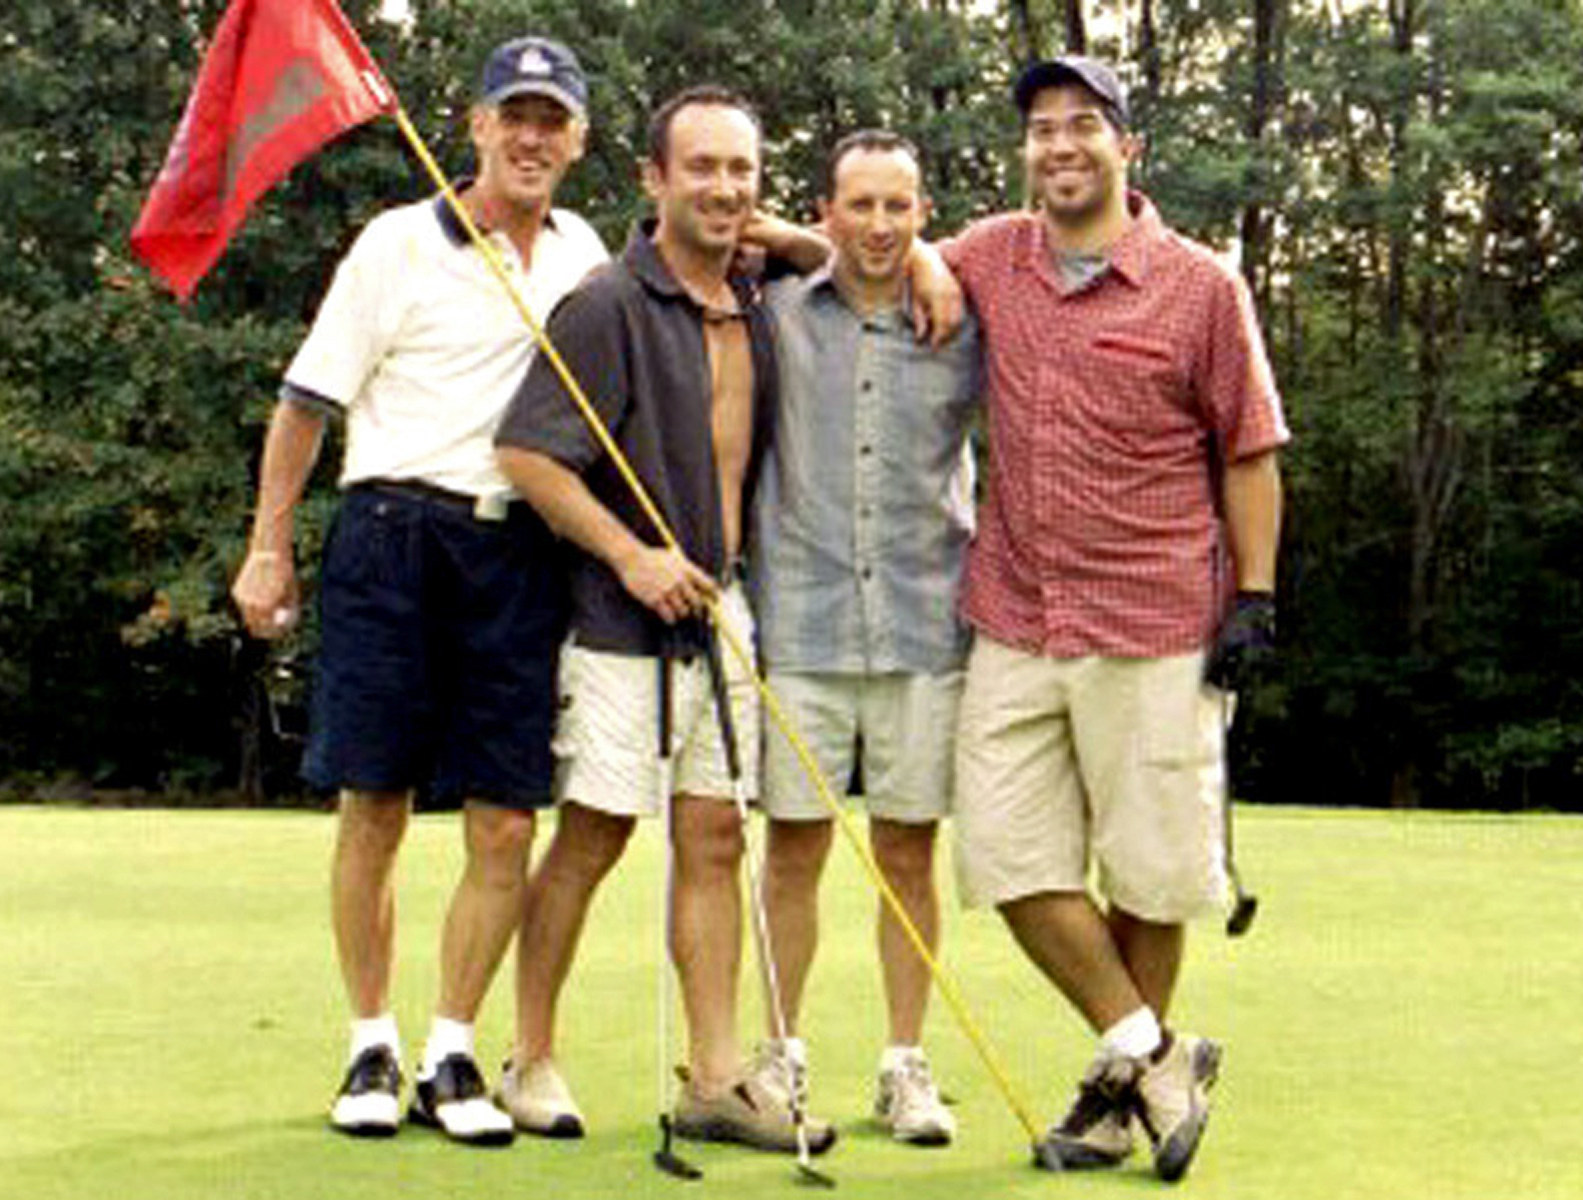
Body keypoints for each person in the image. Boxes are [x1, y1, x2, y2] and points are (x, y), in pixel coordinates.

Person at [230, 36, 607, 1145]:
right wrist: (267, 545)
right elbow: (305, 404)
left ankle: (451, 1052)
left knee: (505, 816)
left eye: (551, 122)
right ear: (476, 126)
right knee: (375, 801)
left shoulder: (584, 254)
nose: (530, 138)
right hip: (392, 536)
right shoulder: (397, 242)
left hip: (518, 550)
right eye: (513, 117)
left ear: (578, 141)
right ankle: (370, 1042)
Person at [939, 56, 1286, 1181]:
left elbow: (1249, 449)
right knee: (1003, 857)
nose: (1060, 145)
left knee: (1146, 879)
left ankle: (1107, 1100)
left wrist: (1255, 596)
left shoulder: (1201, 286)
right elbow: (883, 260)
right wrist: (774, 240)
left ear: (1126, 146)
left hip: (1155, 623)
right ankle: (1157, 1054)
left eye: (1083, 124)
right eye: (1042, 128)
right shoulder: (991, 255)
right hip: (1016, 614)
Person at [493, 85, 834, 1155]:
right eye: (701, 168)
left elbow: (847, 256)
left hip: (723, 612)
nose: (723, 188)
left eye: (741, 170)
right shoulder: (604, 304)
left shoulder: (759, 293)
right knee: (593, 835)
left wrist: (786, 236)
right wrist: (631, 556)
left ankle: (716, 1080)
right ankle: (528, 1058)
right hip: (619, 619)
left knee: (715, 839)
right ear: (652, 178)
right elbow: (528, 455)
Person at [747, 130, 978, 1147]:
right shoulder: (776, 312)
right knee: (792, 849)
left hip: (926, 624)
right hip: (803, 622)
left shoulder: (964, 321)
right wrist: (797, 243)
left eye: (899, 207)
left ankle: (903, 1064)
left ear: (923, 214)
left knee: (907, 854)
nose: (879, 225)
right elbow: (689, 238)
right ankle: (778, 1056)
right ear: (826, 212)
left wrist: (933, 268)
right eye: (860, 205)